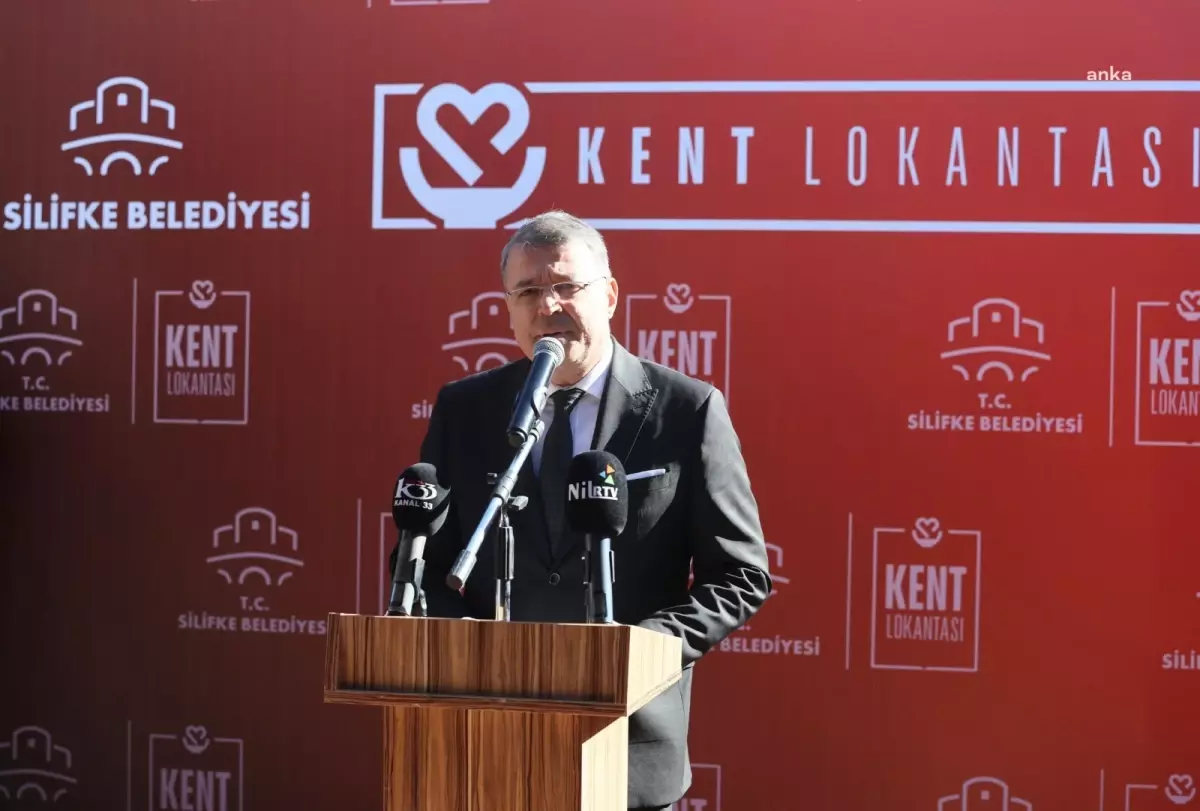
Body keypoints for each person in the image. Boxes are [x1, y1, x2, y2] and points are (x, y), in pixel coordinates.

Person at [395, 210, 772, 811]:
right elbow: (424, 561)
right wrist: (467, 653)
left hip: (627, 747)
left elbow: (740, 575)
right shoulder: (466, 410)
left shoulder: (686, 410)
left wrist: (640, 652)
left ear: (611, 295)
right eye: (528, 292)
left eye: (567, 286)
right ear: (509, 308)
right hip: (485, 739)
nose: (549, 305)